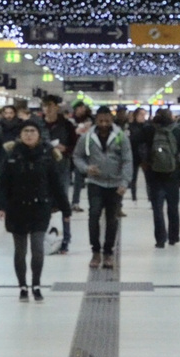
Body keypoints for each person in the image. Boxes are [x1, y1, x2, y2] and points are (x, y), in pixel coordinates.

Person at [0, 119, 69, 301]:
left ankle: (36, 284)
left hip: (39, 208)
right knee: (20, 250)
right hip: (17, 208)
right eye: (25, 131)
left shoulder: (47, 155)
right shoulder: (11, 154)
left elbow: (56, 184)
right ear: (20, 135)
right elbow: (3, 183)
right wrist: (0, 206)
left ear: (39, 134)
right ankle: (22, 286)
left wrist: (65, 208)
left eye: (32, 131)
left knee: (38, 248)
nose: (29, 134)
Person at [74, 107, 132, 269]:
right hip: (95, 183)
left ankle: (108, 253)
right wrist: (86, 168)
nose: (104, 124)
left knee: (112, 218)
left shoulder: (121, 137)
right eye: (101, 121)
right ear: (96, 120)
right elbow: (77, 156)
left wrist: (125, 182)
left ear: (111, 120)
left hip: (115, 184)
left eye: (107, 121)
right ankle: (95, 252)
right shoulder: (87, 137)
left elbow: (128, 160)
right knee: (94, 215)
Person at [138, 108, 180, 248]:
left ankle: (160, 239)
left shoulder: (149, 131)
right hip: (173, 175)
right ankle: (173, 237)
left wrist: (145, 163)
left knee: (157, 208)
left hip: (154, 175)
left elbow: (137, 146)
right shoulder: (178, 131)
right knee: (173, 207)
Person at [38, 97, 78, 250]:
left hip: (61, 168)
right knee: (42, 202)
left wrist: (66, 149)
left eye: (50, 105)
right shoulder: (37, 124)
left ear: (56, 107)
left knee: (62, 202)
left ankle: (65, 238)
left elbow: (75, 146)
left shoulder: (67, 125)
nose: (47, 109)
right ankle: (43, 236)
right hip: (41, 168)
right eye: (44, 106)